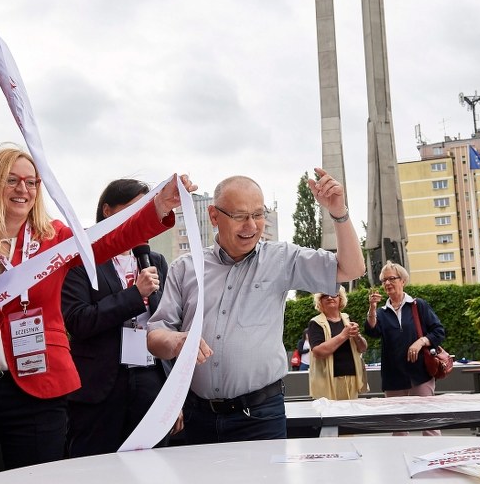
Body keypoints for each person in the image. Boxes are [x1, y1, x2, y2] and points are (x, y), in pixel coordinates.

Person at [0, 149, 193, 482]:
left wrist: (159, 207)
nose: (23, 189)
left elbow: (110, 239)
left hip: (38, 389)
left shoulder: (55, 239)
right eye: (11, 180)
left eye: (31, 182)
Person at [147, 168, 365, 444]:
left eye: (258, 215)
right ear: (214, 216)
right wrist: (177, 341)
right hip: (196, 416)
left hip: (260, 417)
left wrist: (339, 212)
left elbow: (352, 268)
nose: (251, 226)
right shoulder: (185, 268)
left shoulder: (282, 260)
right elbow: (155, 336)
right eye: (239, 216)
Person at [62, 178, 182, 457]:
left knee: (152, 464)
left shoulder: (154, 260)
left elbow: (165, 321)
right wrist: (133, 294)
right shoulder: (82, 258)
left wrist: (174, 397)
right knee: (97, 467)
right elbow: (78, 321)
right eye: (132, 209)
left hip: (151, 377)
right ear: (107, 210)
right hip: (102, 383)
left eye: (145, 210)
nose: (140, 217)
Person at [364, 261, 445, 436]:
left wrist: (421, 341)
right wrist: (372, 308)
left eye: (392, 278)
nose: (387, 283)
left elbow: (438, 331)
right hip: (394, 377)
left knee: (430, 425)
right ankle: (400, 462)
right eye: (384, 280)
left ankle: (435, 463)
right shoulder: (381, 312)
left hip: (420, 374)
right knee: (399, 429)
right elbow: (372, 331)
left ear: (403, 281)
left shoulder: (418, 305)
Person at [307, 288, 368, 400]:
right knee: (332, 416)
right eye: (325, 295)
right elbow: (318, 352)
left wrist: (357, 336)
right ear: (320, 301)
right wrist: (344, 335)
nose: (330, 297)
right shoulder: (315, 323)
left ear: (340, 298)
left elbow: (363, 348)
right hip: (328, 382)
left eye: (334, 294)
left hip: (352, 379)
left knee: (351, 416)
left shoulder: (347, 318)